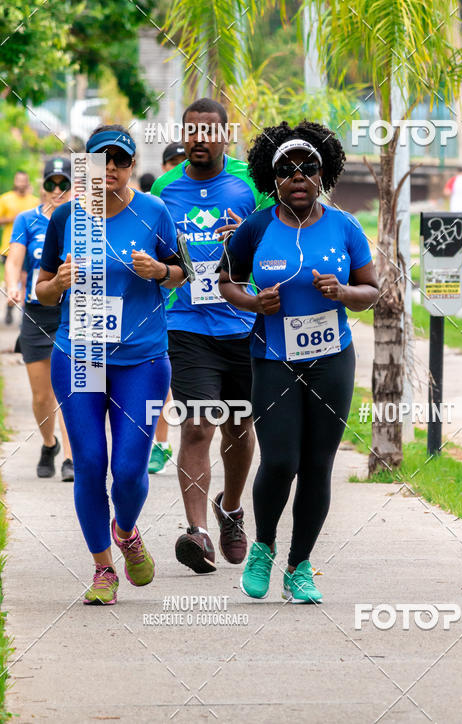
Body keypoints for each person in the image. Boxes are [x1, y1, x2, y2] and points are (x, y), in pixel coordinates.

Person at [218, 121, 378, 603]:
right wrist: (253, 304)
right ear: (274, 181)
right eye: (286, 170)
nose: (298, 177)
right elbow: (225, 280)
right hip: (273, 358)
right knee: (281, 459)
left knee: (317, 466)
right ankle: (264, 545)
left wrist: (344, 292)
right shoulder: (258, 226)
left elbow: (372, 290)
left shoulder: (345, 226)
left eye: (308, 168)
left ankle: (299, 564)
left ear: (323, 173)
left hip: (332, 360)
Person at [36, 125, 186, 606]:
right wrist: (57, 283)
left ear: (129, 166)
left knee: (126, 469)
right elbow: (40, 289)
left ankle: (126, 531)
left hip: (141, 360)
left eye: (121, 162)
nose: (112, 171)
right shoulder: (66, 219)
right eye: (102, 162)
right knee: (90, 464)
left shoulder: (154, 212)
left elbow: (182, 272)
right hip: (79, 355)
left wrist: (160, 272)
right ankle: (103, 568)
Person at [151, 99, 272, 574]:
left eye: (208, 131)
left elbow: (274, 237)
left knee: (239, 427)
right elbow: (160, 253)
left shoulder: (248, 184)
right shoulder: (165, 187)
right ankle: (197, 532)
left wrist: (246, 235)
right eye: (191, 131)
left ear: (225, 135)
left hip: (242, 323)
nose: (199, 139)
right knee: (198, 425)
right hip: (187, 324)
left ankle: (232, 508)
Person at [6, 159, 74, 480]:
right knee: (41, 395)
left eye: (63, 184)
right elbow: (15, 257)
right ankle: (49, 444)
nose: (57, 191)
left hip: (71, 313)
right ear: (42, 185)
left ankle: (71, 459)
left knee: (73, 390)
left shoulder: (83, 220)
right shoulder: (26, 219)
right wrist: (12, 287)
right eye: (51, 184)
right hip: (36, 313)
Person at [148, 143, 186, 475]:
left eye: (182, 162)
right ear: (163, 169)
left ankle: (169, 442)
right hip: (162, 309)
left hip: (197, 308)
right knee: (164, 382)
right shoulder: (152, 206)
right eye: (171, 163)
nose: (177, 168)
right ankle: (160, 443)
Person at [0, 171, 38, 324]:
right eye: (19, 180)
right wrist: (11, 219)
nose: (21, 183)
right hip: (8, 247)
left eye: (24, 180)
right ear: (15, 181)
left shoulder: (34, 201)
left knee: (26, 279)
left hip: (29, 248)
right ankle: (9, 308)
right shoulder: (5, 199)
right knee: (11, 279)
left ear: (27, 182)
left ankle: (25, 312)